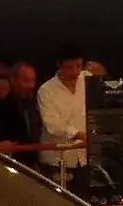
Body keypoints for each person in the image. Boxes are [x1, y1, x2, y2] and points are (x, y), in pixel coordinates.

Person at [36, 47, 89, 184]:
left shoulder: (88, 80)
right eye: (69, 67)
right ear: (59, 65)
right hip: (57, 159)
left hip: (86, 157)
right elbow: (52, 125)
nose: (75, 71)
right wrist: (78, 134)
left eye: (78, 66)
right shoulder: (46, 90)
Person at [0, 61, 42, 167]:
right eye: (26, 81)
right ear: (13, 80)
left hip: (32, 167)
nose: (31, 85)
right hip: (5, 166)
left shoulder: (35, 106)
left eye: (33, 81)